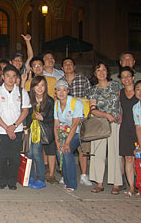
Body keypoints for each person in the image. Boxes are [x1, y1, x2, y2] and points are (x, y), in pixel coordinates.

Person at [0, 64, 30, 190]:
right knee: (1, 157)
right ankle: (2, 180)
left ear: (16, 78)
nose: (11, 79)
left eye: (13, 76)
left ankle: (12, 181)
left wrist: (14, 126)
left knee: (14, 157)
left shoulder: (22, 92)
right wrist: (7, 128)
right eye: (8, 76)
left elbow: (25, 111)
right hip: (1, 130)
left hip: (16, 130)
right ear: (3, 77)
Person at [88, 62, 122, 194]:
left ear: (107, 72)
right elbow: (92, 109)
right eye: (98, 70)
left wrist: (119, 116)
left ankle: (116, 183)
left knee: (115, 152)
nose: (101, 72)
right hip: (100, 123)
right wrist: (106, 115)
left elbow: (121, 103)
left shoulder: (115, 85)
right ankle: (99, 183)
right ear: (95, 74)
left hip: (116, 122)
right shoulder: (93, 90)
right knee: (98, 153)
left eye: (103, 70)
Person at [59, 57, 92, 186]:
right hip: (65, 121)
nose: (68, 66)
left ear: (74, 66)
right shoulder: (60, 81)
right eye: (65, 64)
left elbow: (90, 97)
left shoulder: (82, 79)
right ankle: (65, 174)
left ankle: (83, 175)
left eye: (70, 64)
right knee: (64, 147)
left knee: (83, 148)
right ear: (62, 68)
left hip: (82, 119)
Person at [54, 79, 84, 191]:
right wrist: (57, 141)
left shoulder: (76, 103)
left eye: (64, 90)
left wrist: (66, 143)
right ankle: (66, 180)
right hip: (62, 133)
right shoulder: (56, 104)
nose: (61, 93)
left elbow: (75, 124)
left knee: (67, 150)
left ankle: (72, 183)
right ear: (55, 92)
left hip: (76, 133)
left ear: (68, 91)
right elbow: (56, 123)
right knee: (59, 150)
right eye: (59, 90)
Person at [26, 76, 54, 189]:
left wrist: (43, 119)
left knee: (37, 153)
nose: (40, 88)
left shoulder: (49, 101)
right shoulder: (28, 98)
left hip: (41, 130)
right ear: (32, 87)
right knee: (30, 153)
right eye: (37, 85)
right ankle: (32, 176)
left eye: (42, 85)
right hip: (29, 129)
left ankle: (41, 178)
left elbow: (52, 117)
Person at [118, 67, 138, 197]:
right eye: (123, 76)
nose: (126, 79)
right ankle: (131, 187)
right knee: (128, 158)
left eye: (128, 76)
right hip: (125, 127)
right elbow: (121, 110)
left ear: (133, 77)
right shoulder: (120, 93)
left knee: (140, 158)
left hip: (139, 127)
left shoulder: (140, 90)